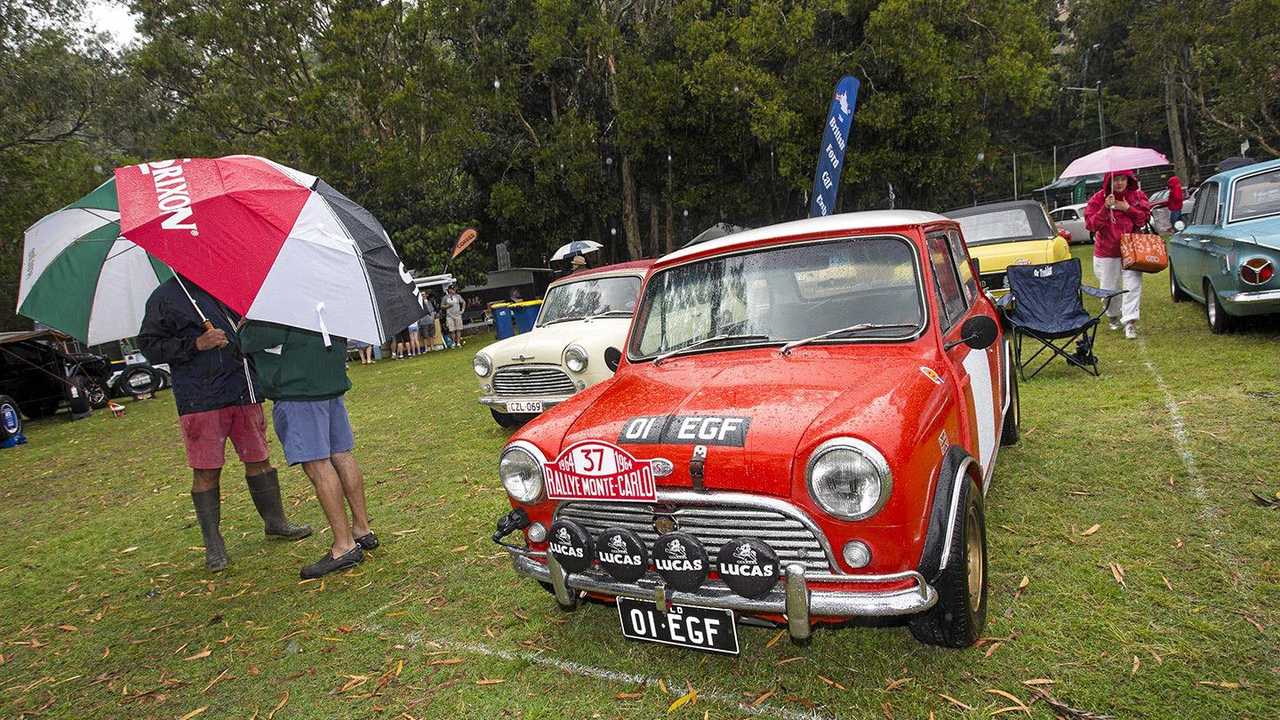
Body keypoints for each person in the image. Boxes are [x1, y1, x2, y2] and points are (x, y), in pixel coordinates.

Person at [138, 277, 312, 573]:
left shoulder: (226, 282)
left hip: (243, 388)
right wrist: (195, 344)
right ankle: (214, 545)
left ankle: (275, 522)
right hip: (200, 397)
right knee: (206, 470)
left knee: (259, 459)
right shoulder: (164, 296)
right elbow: (150, 347)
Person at [240, 323, 378, 579]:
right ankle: (362, 529)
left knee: (318, 465)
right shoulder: (321, 291)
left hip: (298, 389)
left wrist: (243, 328)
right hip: (329, 381)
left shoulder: (274, 301)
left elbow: (253, 340)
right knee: (342, 454)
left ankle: (344, 546)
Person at [1084, 169, 1152, 340]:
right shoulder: (1098, 199)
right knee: (1108, 289)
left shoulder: (1137, 196)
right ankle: (1113, 315)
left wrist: (1128, 208)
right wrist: (1105, 208)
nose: (1120, 183)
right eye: (1116, 180)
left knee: (1132, 285)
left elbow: (1144, 218)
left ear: (1129, 180)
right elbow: (1091, 225)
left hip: (1132, 250)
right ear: (1109, 182)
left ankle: (1130, 322)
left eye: (1123, 179)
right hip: (1106, 252)